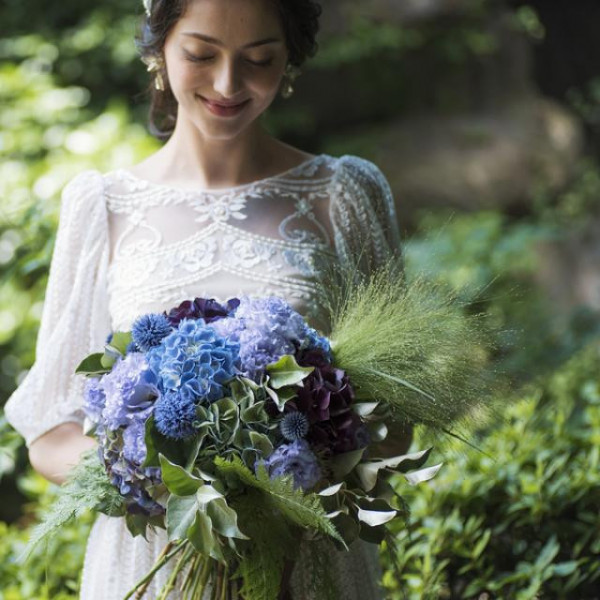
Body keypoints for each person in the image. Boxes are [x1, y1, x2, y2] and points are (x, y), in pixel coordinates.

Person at [4, 0, 411, 597]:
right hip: (151, 567)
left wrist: (292, 473)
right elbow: (51, 433)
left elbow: (398, 416)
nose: (227, 84)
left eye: (259, 59)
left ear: (290, 58)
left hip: (305, 564)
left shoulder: (343, 193)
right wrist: (165, 475)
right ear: (158, 51)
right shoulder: (102, 207)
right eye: (201, 54)